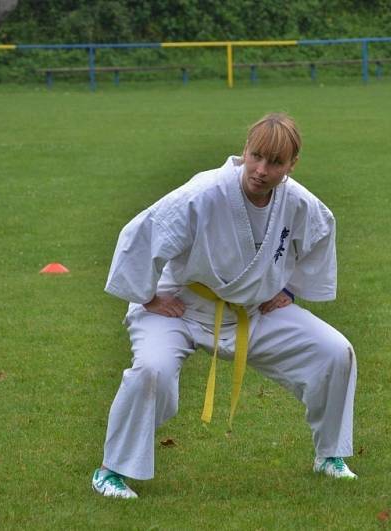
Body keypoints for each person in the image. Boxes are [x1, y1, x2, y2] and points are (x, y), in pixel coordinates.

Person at [92, 113, 357, 499]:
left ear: (292, 165)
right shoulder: (203, 193)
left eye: (275, 163)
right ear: (245, 150)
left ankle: (330, 455)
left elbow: (320, 234)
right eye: (256, 157)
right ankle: (110, 470)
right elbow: (142, 233)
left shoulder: (299, 203)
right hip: (179, 307)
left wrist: (290, 291)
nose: (261, 170)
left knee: (335, 352)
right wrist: (148, 296)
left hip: (253, 310)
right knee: (152, 371)